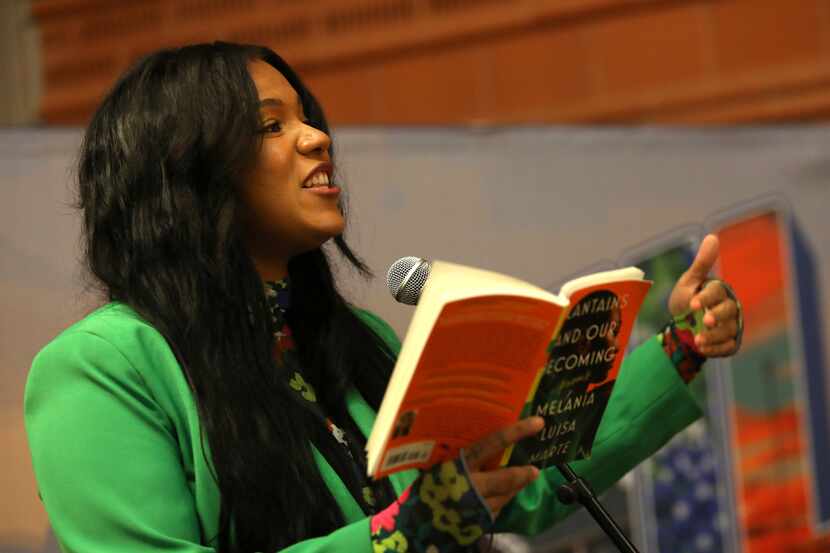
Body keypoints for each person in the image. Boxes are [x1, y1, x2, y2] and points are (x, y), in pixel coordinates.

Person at [23, 42, 743, 553]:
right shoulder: (102, 368)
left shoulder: (355, 338)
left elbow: (516, 482)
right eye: (272, 126)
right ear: (185, 177)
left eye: (306, 115)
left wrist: (680, 346)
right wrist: (404, 533)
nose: (317, 137)